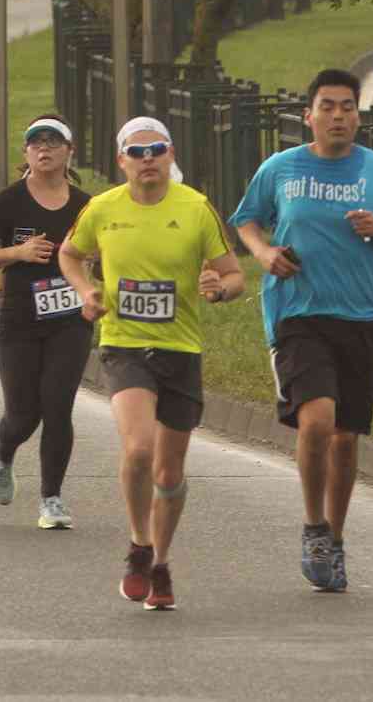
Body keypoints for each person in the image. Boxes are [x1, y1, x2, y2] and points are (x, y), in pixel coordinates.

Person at [228, 68, 373, 593]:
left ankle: (334, 539)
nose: (338, 115)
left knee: (345, 439)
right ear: (309, 116)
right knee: (318, 421)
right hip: (297, 312)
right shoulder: (281, 167)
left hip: (360, 317)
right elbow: (246, 221)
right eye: (327, 106)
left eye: (346, 107)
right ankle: (313, 527)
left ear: (357, 118)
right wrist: (265, 253)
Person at [57, 117, 242, 609]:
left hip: (180, 349)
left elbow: (234, 274)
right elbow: (69, 254)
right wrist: (86, 290)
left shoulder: (196, 208)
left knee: (169, 472)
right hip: (125, 345)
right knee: (139, 449)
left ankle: (161, 562)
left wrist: (218, 289)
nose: (147, 160)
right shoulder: (102, 209)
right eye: (137, 153)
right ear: (122, 162)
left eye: (156, 150)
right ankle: (139, 545)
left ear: (170, 154)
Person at [0, 116, 94, 530]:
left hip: (69, 319)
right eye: (36, 143)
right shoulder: (10, 201)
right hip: (18, 316)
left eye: (54, 142)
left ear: (69, 151)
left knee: (58, 407)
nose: (44, 149)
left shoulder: (86, 206)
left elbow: (108, 254)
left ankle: (51, 499)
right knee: (24, 413)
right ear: (26, 154)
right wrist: (17, 253)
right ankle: (4, 453)